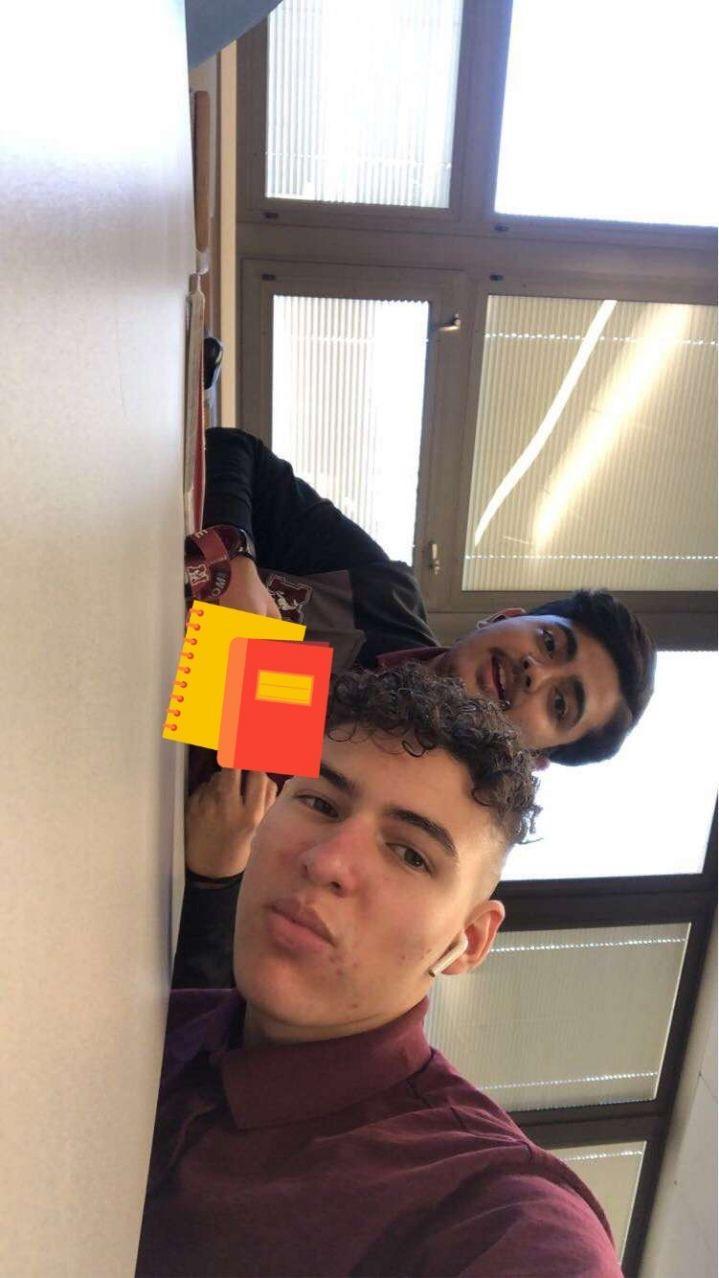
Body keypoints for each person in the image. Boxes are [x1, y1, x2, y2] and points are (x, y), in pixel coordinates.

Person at [137, 664, 623, 1277]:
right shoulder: (153, 1019)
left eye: (410, 855)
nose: (326, 862)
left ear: (468, 941)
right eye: (320, 803)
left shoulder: (489, 1206)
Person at [171, 426, 656, 986]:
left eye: (560, 704)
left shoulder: (398, 825)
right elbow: (233, 451)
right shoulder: (379, 591)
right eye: (549, 643)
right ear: (506, 617)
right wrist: (235, 564)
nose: (535, 673)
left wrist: (215, 876)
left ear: (535, 759)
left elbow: (225, 983)